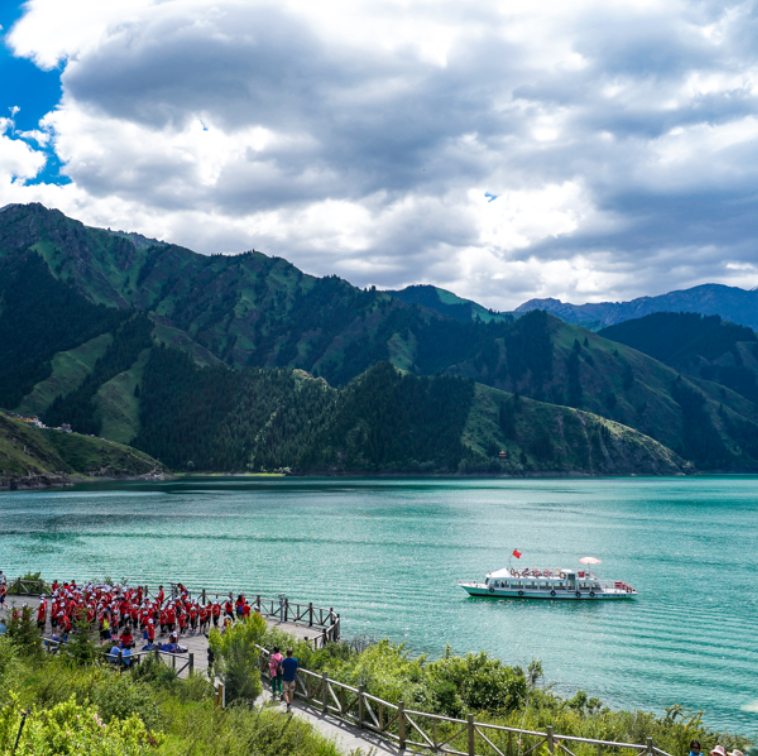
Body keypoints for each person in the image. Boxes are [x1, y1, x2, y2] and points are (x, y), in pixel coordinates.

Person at [281, 648, 299, 712]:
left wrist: (281, 669)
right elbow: (297, 669)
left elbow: (282, 669)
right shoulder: (295, 660)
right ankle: (290, 704)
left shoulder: (284, 661)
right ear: (292, 654)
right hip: (292, 679)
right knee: (291, 691)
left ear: (286, 653)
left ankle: (288, 703)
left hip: (285, 679)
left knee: (285, 692)